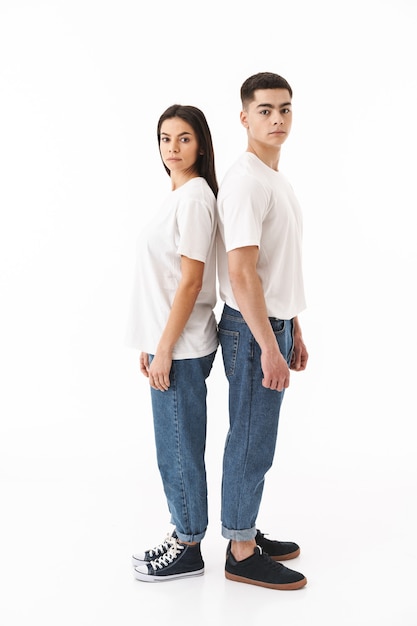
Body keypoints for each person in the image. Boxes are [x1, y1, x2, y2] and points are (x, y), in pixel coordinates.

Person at [216, 72, 309, 590]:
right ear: (245, 117)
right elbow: (242, 272)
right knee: (251, 439)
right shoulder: (247, 180)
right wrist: (270, 346)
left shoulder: (274, 177)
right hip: (253, 331)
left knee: (257, 437)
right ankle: (240, 551)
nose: (278, 119)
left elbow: (279, 265)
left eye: (286, 109)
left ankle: (242, 528)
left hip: (273, 324)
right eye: (267, 109)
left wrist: (294, 324)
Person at [126, 104, 218, 581]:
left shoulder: (196, 198)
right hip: (169, 343)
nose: (172, 148)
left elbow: (190, 283)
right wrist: (151, 340)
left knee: (178, 450)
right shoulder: (180, 195)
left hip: (181, 349)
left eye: (183, 138)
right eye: (165, 139)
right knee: (174, 447)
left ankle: (188, 545)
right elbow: (163, 281)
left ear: (200, 143)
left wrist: (164, 348)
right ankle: (184, 529)